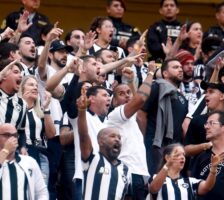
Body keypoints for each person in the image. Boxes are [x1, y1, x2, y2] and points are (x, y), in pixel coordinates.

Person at [105, 61, 156, 199]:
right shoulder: (115, 115)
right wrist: (151, 73)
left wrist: (132, 81)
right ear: (114, 101)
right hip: (127, 173)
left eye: (128, 93)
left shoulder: (131, 119)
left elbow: (137, 101)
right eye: (122, 94)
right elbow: (140, 99)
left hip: (138, 175)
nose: (127, 95)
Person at [137, 58, 188, 176]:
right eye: (175, 67)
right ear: (165, 73)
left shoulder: (183, 98)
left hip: (172, 148)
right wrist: (146, 139)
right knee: (154, 180)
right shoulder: (156, 87)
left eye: (180, 67)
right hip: (154, 144)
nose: (180, 70)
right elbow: (141, 115)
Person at [77, 89, 131, 200]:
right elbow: (83, 136)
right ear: (101, 141)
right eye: (112, 136)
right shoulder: (93, 159)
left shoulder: (126, 169)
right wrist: (82, 110)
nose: (117, 140)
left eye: (119, 138)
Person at [148, 143, 224, 199]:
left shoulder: (190, 181)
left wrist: (214, 167)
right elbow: (153, 189)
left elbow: (207, 187)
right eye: (178, 155)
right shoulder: (156, 177)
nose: (182, 157)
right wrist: (167, 165)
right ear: (167, 158)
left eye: (183, 155)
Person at [190, 110, 224, 200]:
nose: (206, 127)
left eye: (211, 123)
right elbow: (192, 187)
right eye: (206, 124)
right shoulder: (201, 157)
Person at [19, 75, 56, 184]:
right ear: (22, 89)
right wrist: (23, 103)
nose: (35, 88)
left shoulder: (39, 112)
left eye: (36, 85)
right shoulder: (16, 108)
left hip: (41, 154)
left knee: (41, 192)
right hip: (22, 152)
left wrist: (47, 108)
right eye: (31, 85)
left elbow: (51, 134)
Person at [0, 123, 48, 199]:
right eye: (7, 135)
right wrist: (5, 150)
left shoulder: (30, 162)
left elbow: (41, 192)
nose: (12, 139)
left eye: (15, 136)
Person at [0, 60, 27, 154]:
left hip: (10, 154)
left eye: (20, 73)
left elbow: (21, 131)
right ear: (3, 76)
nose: (20, 76)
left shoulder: (22, 103)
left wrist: (23, 147)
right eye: (15, 72)